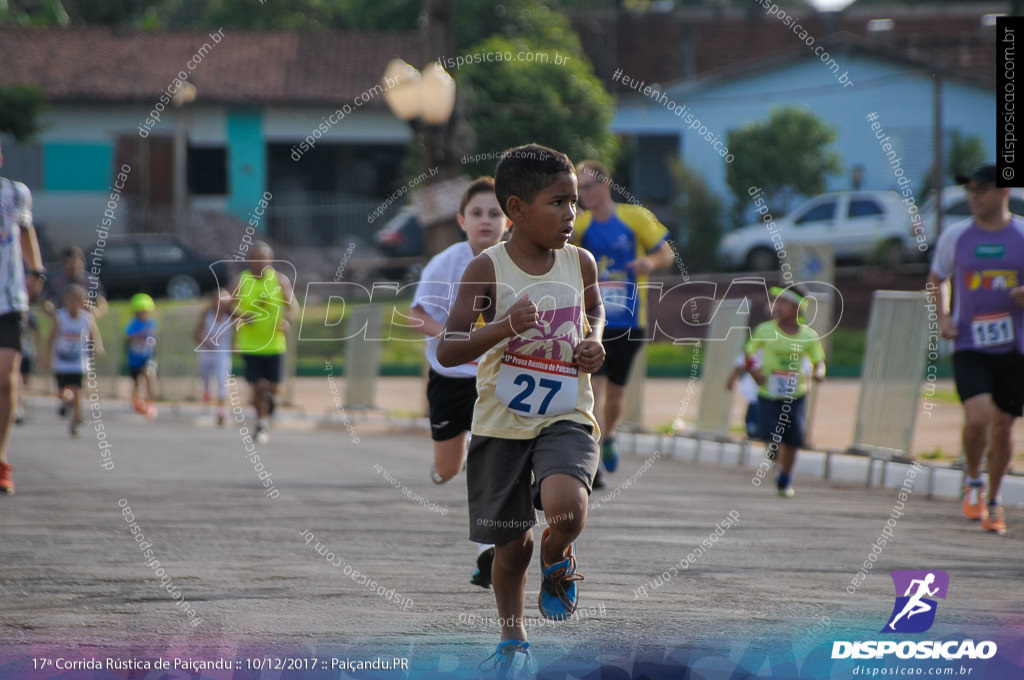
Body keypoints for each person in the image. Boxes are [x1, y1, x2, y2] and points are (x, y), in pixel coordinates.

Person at [437, 144, 605, 676]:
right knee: (510, 547)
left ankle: (559, 555)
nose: (570, 214)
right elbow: (449, 348)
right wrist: (506, 326)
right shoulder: (486, 268)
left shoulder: (581, 261)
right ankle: (513, 634)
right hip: (501, 421)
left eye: (574, 202)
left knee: (568, 508)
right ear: (517, 209)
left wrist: (594, 340)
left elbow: (594, 309)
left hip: (566, 412)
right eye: (558, 202)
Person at [409, 176, 509, 588]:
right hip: (451, 376)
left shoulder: (517, 260)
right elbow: (417, 315)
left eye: (495, 213)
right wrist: (453, 339)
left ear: (509, 220)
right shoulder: (446, 262)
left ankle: (487, 549)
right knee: (448, 469)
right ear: (461, 220)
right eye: (477, 214)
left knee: (494, 464)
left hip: (497, 379)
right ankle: (458, 455)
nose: (486, 221)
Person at [928, 162, 1024, 535]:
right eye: (970, 190)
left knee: (1002, 427)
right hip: (969, 342)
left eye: (981, 189)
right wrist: (944, 318)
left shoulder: (1021, 235)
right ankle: (973, 482)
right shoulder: (957, 236)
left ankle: (995, 500)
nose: (973, 196)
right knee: (979, 416)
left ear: (1004, 192)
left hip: (1015, 348)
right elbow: (938, 279)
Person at [572, 160, 673, 481]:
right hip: (592, 321)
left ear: (605, 184)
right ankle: (594, 460)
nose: (584, 195)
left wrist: (648, 261)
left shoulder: (635, 217)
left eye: (588, 186)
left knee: (615, 393)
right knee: (595, 387)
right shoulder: (581, 226)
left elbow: (666, 254)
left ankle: (610, 434)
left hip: (630, 320)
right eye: (579, 190)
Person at [745, 285, 826, 497]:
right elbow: (748, 354)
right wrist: (754, 373)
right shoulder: (765, 330)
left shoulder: (809, 335)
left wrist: (819, 373)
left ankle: (785, 478)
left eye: (784, 302)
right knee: (771, 435)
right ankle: (774, 455)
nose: (778, 306)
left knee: (793, 438)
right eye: (777, 302)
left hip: (795, 394)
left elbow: (819, 361)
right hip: (768, 394)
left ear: (799, 308)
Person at [0, 140, 46, 493]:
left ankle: (1, 458)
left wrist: (37, 271)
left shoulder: (16, 194)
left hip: (9, 301)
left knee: (6, 378)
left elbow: (26, 230)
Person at [233, 241, 296, 444]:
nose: (260, 262)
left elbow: (293, 306)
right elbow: (227, 306)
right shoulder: (241, 281)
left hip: (274, 344)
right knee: (258, 386)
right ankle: (261, 423)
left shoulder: (279, 280)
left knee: (274, 387)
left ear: (270, 260)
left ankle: (271, 401)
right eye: (256, 258)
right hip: (251, 344)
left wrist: (286, 320)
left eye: (264, 258)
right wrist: (242, 316)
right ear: (250, 260)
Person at [45, 285, 104, 436]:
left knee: (78, 391)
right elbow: (52, 336)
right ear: (66, 301)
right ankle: (66, 401)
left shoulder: (86, 318)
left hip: (78, 361)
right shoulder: (60, 317)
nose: (74, 304)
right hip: (62, 361)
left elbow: (93, 332)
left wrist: (98, 346)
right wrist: (46, 354)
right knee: (61, 392)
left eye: (78, 300)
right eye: (71, 300)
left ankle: (76, 420)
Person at [193, 290, 235, 426]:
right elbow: (196, 334)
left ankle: (221, 410)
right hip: (206, 354)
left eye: (225, 302)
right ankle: (206, 395)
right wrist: (206, 343)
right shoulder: (207, 316)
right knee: (206, 379)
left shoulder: (231, 318)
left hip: (222, 354)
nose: (221, 305)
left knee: (223, 381)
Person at [42, 246, 108, 319]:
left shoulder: (91, 281)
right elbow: (44, 300)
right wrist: (51, 311)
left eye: (76, 265)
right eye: (69, 265)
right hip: (61, 319)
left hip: (85, 319)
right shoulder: (54, 281)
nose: (73, 268)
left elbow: (101, 300)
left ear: (82, 263)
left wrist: (96, 313)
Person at [125, 293, 158, 418]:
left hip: (147, 356)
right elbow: (129, 337)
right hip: (135, 357)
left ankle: (150, 402)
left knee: (149, 376)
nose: (143, 313)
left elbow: (154, 337)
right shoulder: (133, 324)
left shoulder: (151, 323)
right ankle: (136, 401)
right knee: (136, 382)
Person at [14, 309, 39, 425]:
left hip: (27, 351)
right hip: (13, 351)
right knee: (16, 378)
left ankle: (22, 399)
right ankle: (18, 405)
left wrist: (37, 349)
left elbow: (36, 330)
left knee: (25, 381)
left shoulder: (29, 316)